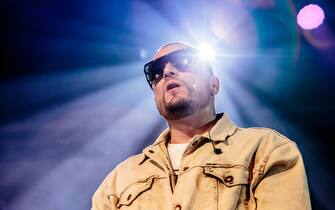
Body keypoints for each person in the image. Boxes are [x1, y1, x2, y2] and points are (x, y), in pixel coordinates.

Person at [91, 42, 311, 210]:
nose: (167, 71)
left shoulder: (266, 149)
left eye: (184, 61)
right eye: (155, 71)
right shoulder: (118, 180)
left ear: (214, 84)